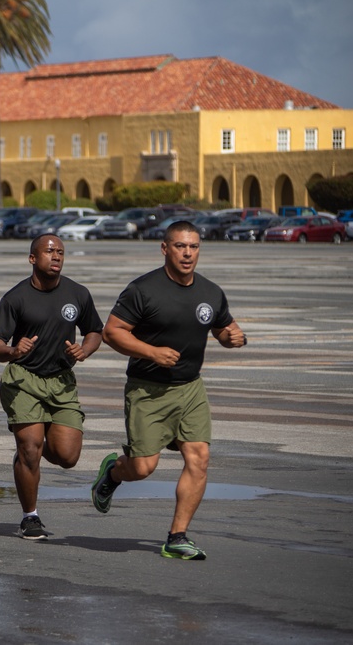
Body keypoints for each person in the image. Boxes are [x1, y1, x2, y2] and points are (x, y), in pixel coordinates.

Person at [91, 220, 246, 561]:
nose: (187, 253)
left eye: (193, 247)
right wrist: (151, 352)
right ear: (165, 248)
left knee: (199, 459)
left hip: (190, 389)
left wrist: (234, 337)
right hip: (148, 390)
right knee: (143, 467)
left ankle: (177, 536)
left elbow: (223, 327)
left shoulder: (210, 292)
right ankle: (114, 472)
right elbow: (112, 333)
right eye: (180, 246)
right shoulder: (143, 290)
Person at [0, 234, 102, 539]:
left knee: (67, 456)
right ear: (33, 258)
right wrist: (13, 351)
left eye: (60, 252)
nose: (56, 256)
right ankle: (29, 517)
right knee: (31, 449)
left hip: (61, 382)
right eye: (49, 252)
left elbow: (94, 331)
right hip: (24, 379)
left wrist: (85, 350)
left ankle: (27, 455)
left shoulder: (78, 293)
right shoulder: (16, 297)